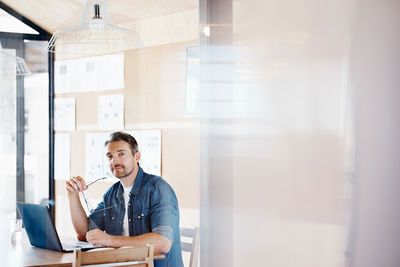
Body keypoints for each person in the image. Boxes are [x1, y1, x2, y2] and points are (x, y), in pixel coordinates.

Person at [66, 131, 183, 267]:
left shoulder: (159, 189)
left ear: (137, 156)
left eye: (121, 154)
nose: (114, 161)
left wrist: (110, 240)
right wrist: (72, 195)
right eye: (110, 156)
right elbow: (84, 233)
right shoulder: (112, 194)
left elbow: (163, 243)